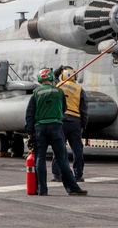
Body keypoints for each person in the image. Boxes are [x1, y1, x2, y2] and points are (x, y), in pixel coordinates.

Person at [25, 68, 87, 196]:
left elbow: (29, 115)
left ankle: (42, 189)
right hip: (56, 127)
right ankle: (72, 188)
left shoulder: (35, 93)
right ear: (51, 78)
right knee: (62, 158)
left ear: (40, 79)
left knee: (40, 158)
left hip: (40, 128)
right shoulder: (59, 92)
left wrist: (30, 133)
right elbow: (64, 108)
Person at [51, 66, 88, 183]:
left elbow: (51, 77)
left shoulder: (58, 85)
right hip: (75, 122)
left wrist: (60, 68)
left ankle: (57, 174)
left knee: (59, 148)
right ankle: (78, 174)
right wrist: (83, 125)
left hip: (60, 121)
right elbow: (84, 109)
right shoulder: (79, 89)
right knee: (77, 149)